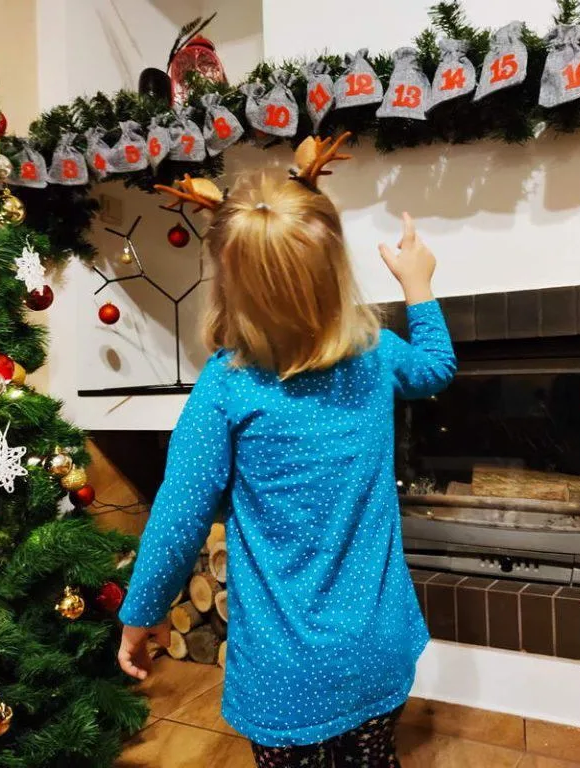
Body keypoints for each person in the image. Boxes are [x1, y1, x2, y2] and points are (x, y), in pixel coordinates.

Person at [116, 140, 456, 768]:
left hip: (283, 668)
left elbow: (178, 516)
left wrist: (141, 612)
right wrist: (418, 285)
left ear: (230, 284)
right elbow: (436, 367)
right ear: (335, 273)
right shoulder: (376, 352)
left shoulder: (225, 386)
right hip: (376, 647)